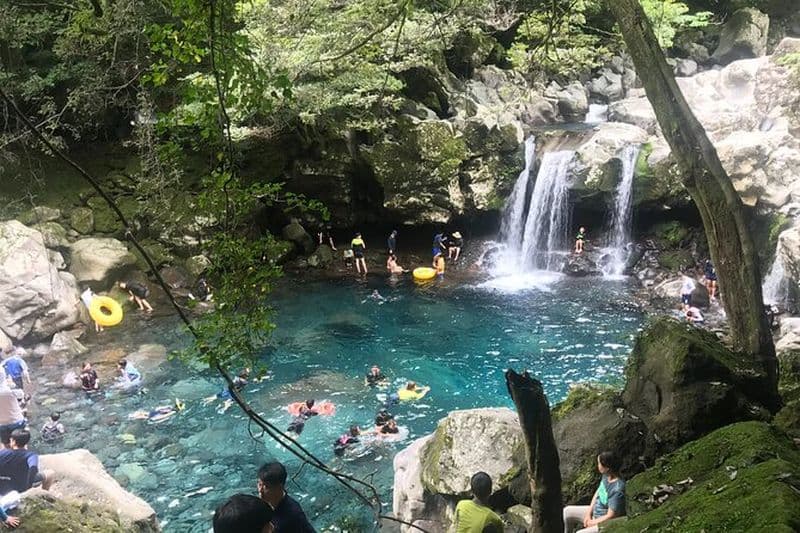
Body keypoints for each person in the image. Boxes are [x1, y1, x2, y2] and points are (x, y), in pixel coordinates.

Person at [563, 451, 626, 533]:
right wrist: (588, 513)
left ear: (607, 468)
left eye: (599, 463)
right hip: (595, 513)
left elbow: (611, 516)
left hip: (606, 522)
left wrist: (592, 522)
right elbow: (598, 493)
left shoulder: (617, 489)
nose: (598, 466)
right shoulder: (606, 476)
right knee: (567, 512)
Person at [257, 462, 316, 532]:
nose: (260, 490)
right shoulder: (265, 503)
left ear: (279, 487)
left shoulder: (292, 516)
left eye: (266, 487)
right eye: (259, 484)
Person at [0, 429, 53, 493]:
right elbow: (33, 468)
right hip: (21, 487)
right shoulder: (31, 455)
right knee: (50, 473)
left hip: (3, 485)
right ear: (26, 442)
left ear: (13, 441)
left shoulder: (2, 453)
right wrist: (29, 486)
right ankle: (44, 496)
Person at [0, 368, 26, 449]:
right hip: (16, 420)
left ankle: (9, 458)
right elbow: (21, 394)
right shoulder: (10, 390)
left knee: (6, 444)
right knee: (21, 444)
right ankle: (23, 458)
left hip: (1, 423)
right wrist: (12, 384)